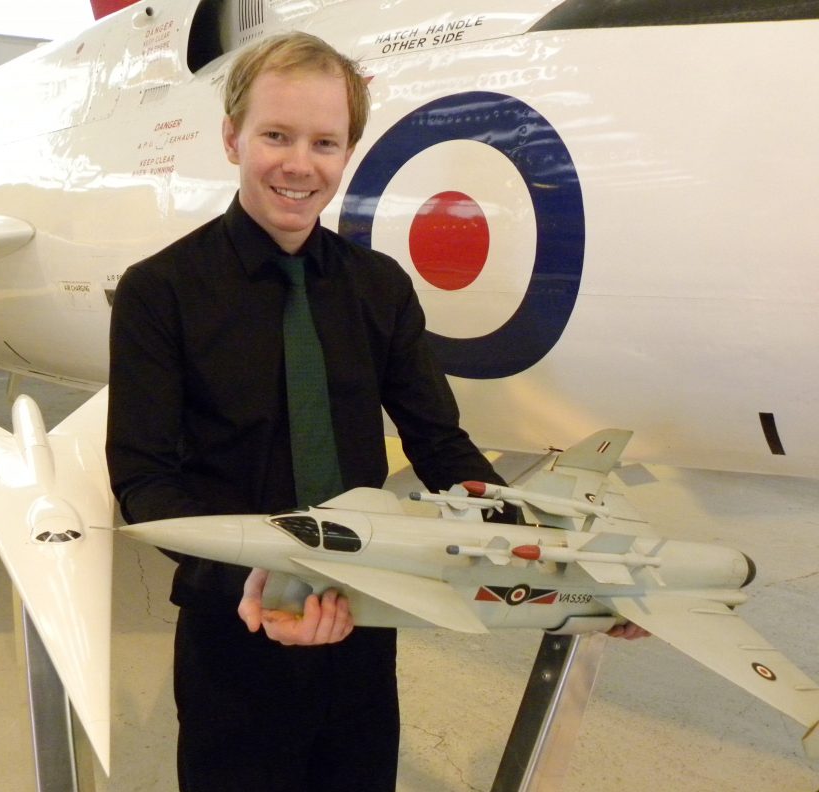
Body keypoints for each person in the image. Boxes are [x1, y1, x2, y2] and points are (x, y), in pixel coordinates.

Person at [107, 31, 642, 792]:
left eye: (324, 142)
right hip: (235, 624)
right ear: (232, 138)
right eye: (276, 135)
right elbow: (144, 482)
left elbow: (443, 447)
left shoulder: (379, 285)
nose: (300, 164)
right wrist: (252, 578)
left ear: (347, 152)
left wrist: (569, 570)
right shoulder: (160, 291)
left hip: (365, 614)